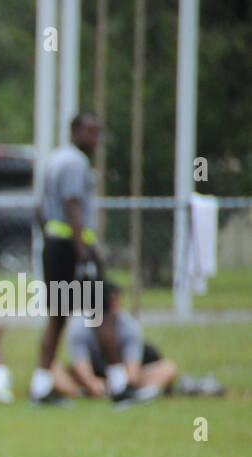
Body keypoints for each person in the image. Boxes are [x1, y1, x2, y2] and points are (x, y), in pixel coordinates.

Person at [30, 111, 151, 407]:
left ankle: (41, 387)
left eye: (98, 132)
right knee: (100, 315)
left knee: (58, 318)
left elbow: (40, 209)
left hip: (58, 245)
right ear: (74, 131)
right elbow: (72, 203)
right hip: (73, 248)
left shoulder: (57, 159)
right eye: (90, 132)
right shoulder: (74, 162)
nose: (95, 139)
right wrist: (83, 249)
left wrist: (52, 240)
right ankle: (120, 385)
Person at [50, 282, 176, 399]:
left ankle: (136, 393)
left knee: (168, 368)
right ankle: (82, 393)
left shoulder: (129, 327)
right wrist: (92, 383)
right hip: (93, 375)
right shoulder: (79, 327)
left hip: (124, 374)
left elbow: (133, 371)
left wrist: (122, 383)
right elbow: (81, 365)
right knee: (53, 370)